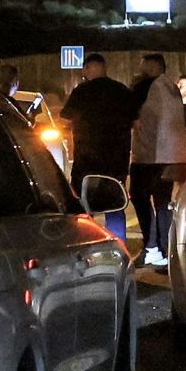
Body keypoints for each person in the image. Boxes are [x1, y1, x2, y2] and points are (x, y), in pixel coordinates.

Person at [60, 53, 137, 241]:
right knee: (115, 205)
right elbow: (136, 121)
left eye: (85, 69)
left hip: (86, 161)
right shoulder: (121, 91)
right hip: (116, 161)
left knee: (84, 208)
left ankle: (85, 244)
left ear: (90, 68)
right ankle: (119, 248)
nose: (84, 73)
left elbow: (65, 118)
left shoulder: (81, 92)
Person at [129, 53, 186, 269]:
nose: (140, 70)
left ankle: (152, 247)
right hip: (172, 155)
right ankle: (164, 248)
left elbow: (131, 111)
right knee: (163, 203)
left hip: (149, 155)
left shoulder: (146, 86)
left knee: (140, 197)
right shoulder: (171, 88)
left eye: (144, 66)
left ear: (153, 67)